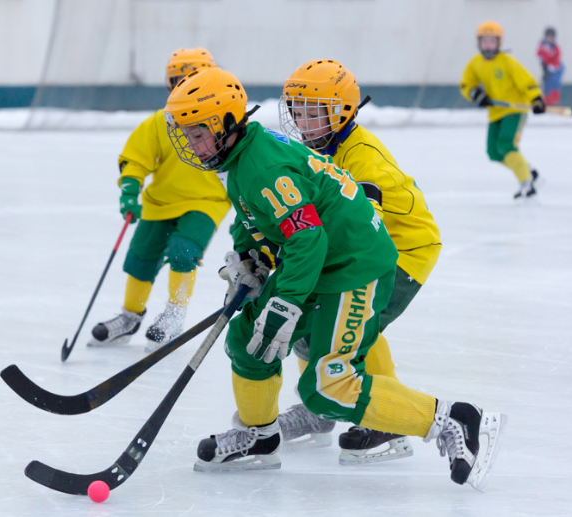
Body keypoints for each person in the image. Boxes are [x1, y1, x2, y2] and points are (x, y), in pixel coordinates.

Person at [163, 67, 506, 490]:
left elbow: (307, 235)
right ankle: (260, 436)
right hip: (320, 257)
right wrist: (250, 256)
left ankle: (457, 418)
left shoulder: (263, 166)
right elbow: (259, 216)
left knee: (329, 384)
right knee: (248, 339)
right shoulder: (242, 158)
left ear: (228, 125)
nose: (192, 146)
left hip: (353, 263)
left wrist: (285, 303)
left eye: (198, 134)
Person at [275, 59, 442, 464]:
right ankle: (320, 409)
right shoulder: (314, 147)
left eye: (316, 112)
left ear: (343, 112)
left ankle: (391, 421)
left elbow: (370, 219)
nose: (305, 120)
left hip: (401, 250)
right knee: (313, 320)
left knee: (355, 323)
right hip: (355, 246)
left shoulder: (361, 154)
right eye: (298, 110)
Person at [89, 48, 230, 353]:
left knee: (184, 251)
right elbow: (136, 159)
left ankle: (173, 316)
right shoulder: (159, 123)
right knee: (141, 256)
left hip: (207, 201)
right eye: (178, 80)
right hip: (161, 201)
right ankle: (130, 317)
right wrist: (129, 190)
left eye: (192, 79)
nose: (184, 86)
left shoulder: (222, 121)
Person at [459, 21, 545, 199]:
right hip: (495, 112)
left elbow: (526, 81)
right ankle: (530, 172)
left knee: (506, 145)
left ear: (499, 42)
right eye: (484, 41)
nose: (488, 44)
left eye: (492, 41)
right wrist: (475, 94)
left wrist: (536, 99)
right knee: (494, 152)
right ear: (479, 43)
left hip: (514, 109)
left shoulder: (507, 62)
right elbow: (466, 84)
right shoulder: (475, 63)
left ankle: (527, 184)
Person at [537, 26, 564, 106]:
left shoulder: (555, 47)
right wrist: (544, 65)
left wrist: (552, 67)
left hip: (555, 68)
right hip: (546, 68)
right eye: (548, 37)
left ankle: (554, 101)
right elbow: (540, 55)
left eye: (551, 37)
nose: (550, 39)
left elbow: (557, 57)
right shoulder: (542, 46)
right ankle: (546, 100)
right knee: (546, 84)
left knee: (554, 84)